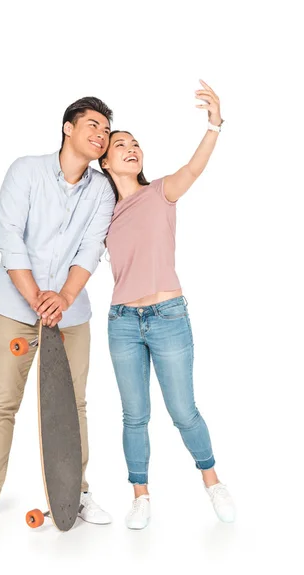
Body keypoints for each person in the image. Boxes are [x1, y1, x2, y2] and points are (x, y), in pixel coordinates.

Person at [0, 97, 115, 528]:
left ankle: (77, 494)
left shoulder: (102, 190)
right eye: (93, 125)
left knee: (74, 404)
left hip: (70, 314)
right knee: (2, 403)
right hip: (14, 307)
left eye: (106, 130)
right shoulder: (25, 171)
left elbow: (91, 248)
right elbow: (9, 238)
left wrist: (62, 298)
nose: (101, 135)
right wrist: (37, 299)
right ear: (68, 128)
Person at [99, 80, 236, 530]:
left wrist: (214, 123)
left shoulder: (160, 192)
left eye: (136, 144)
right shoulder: (100, 214)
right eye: (121, 144)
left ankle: (212, 481)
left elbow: (193, 169)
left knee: (183, 411)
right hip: (121, 322)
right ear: (105, 160)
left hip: (168, 317)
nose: (131, 148)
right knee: (134, 415)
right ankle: (140, 496)